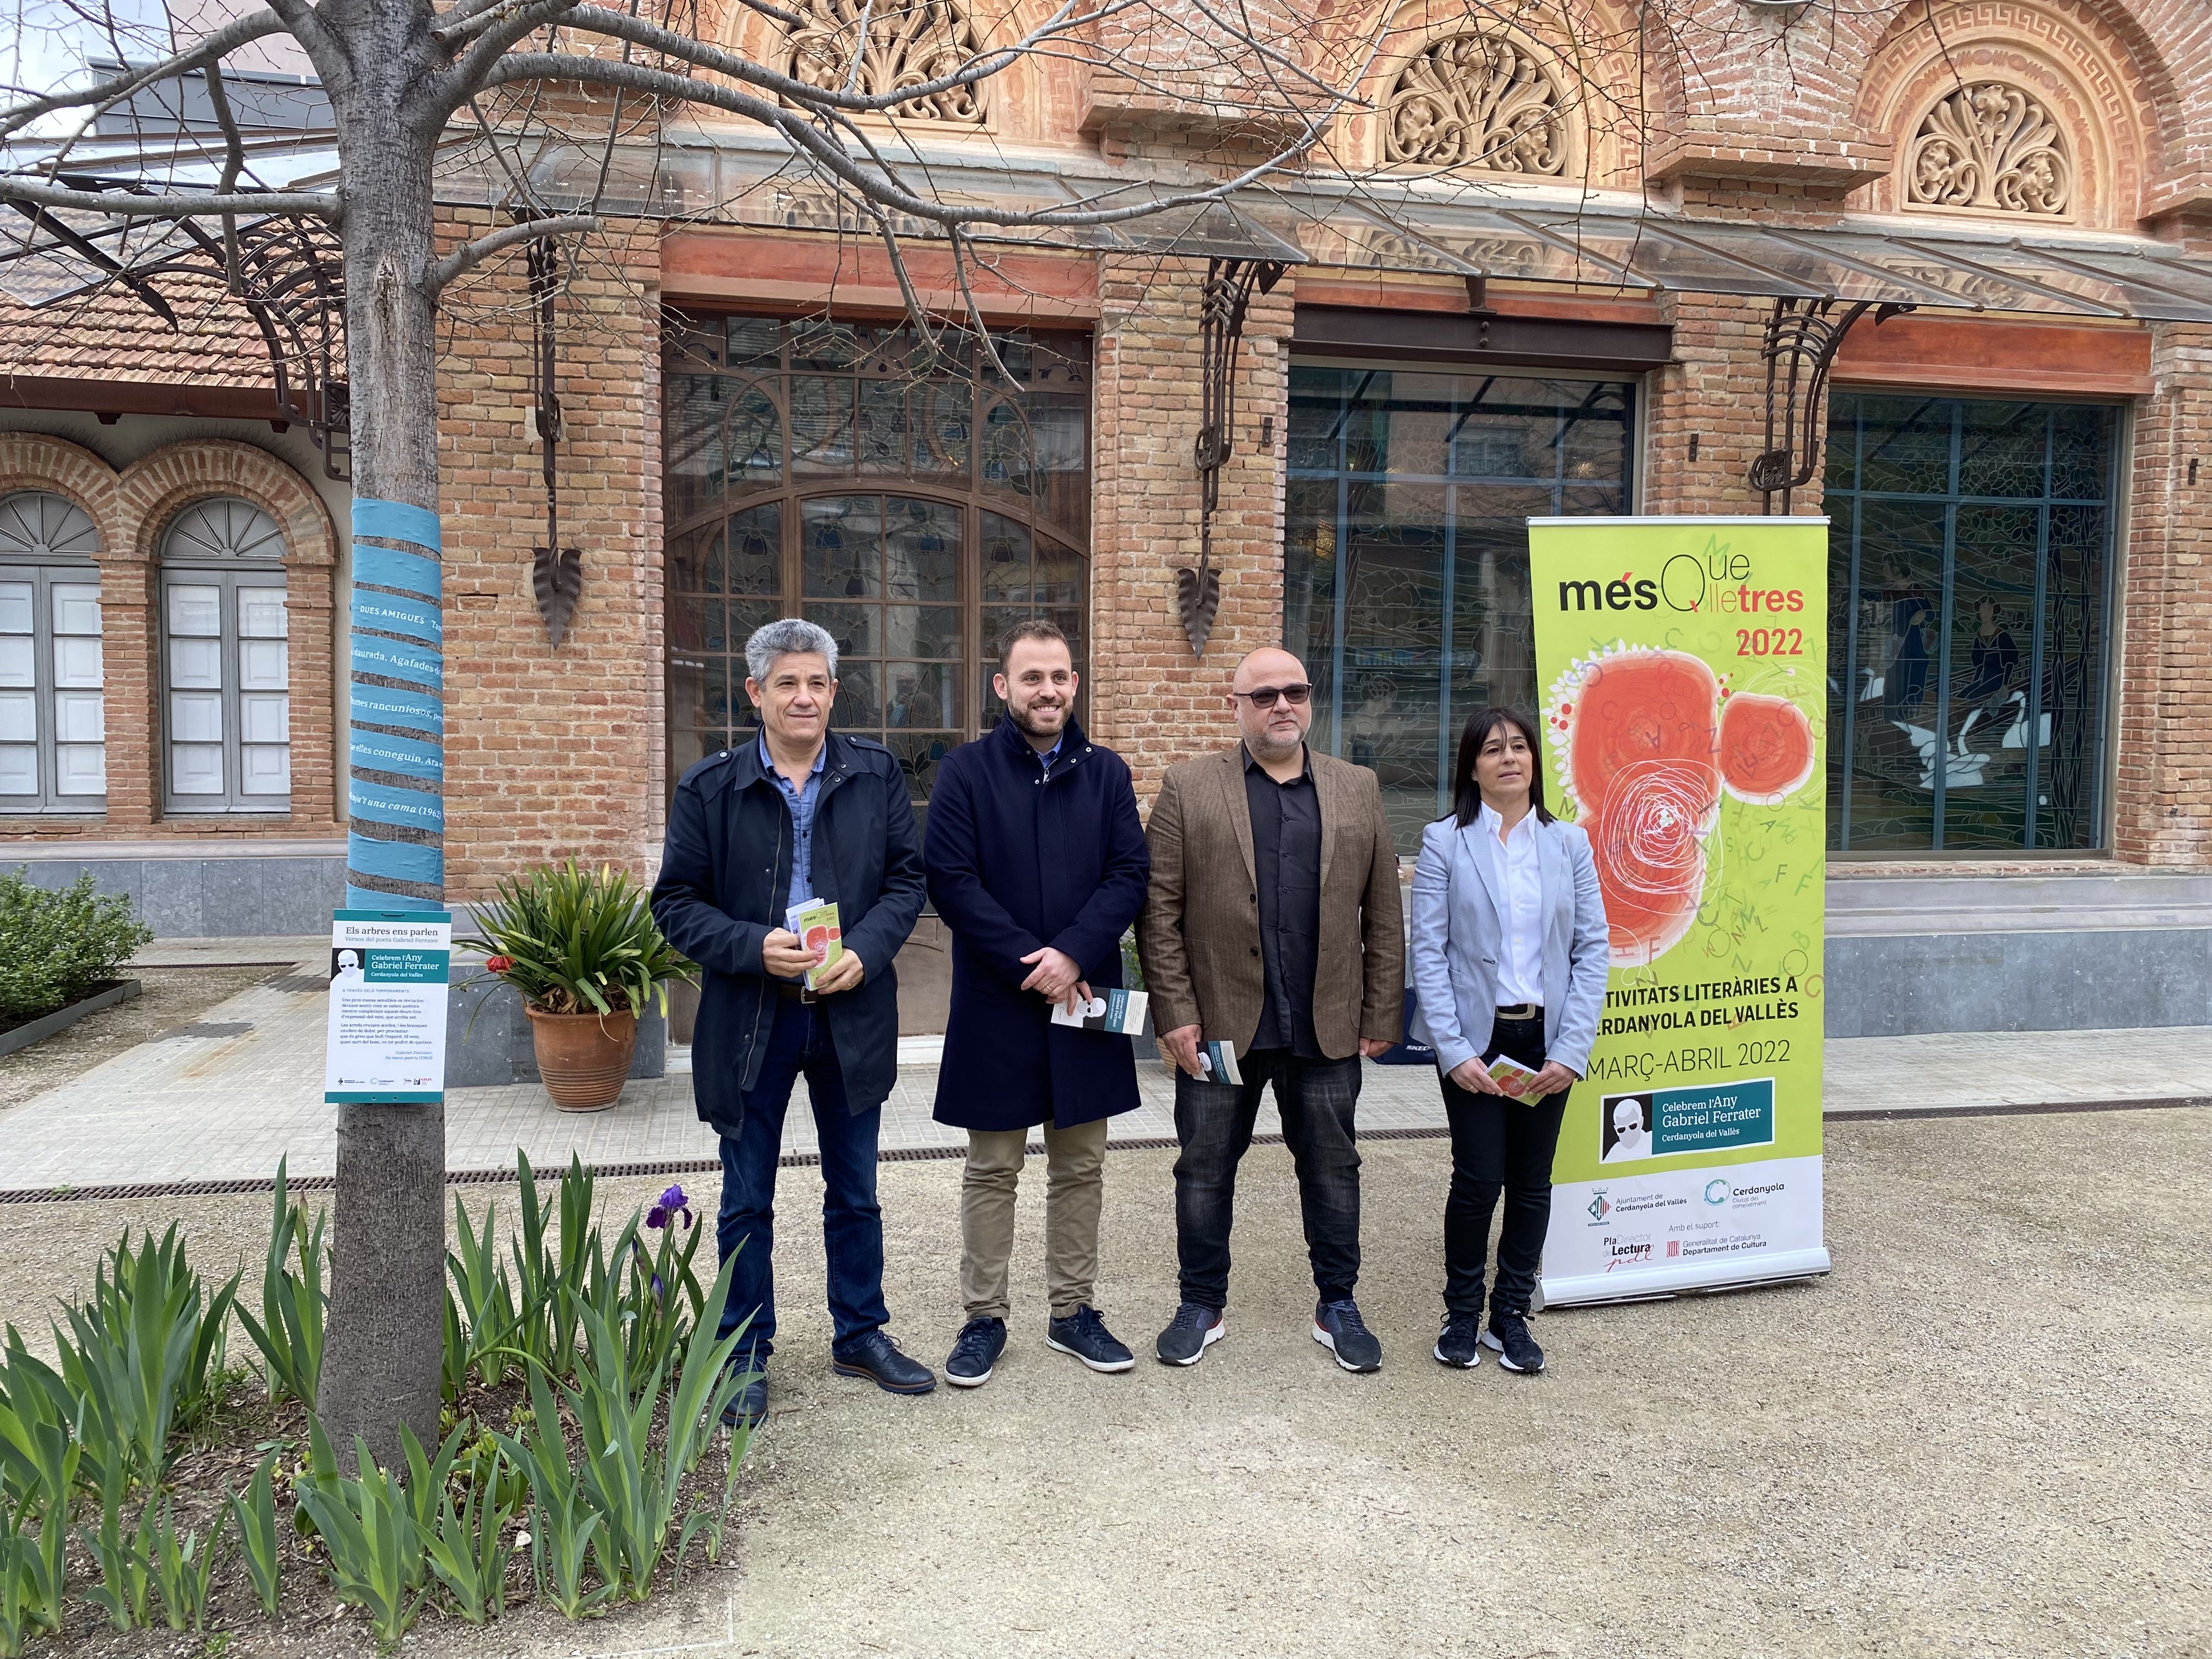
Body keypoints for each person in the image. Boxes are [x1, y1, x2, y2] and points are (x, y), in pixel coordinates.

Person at [651, 617, 932, 1426]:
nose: (803, 697)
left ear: (835, 693)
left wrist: (869, 953)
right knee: (746, 1198)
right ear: (756, 694)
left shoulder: (875, 774)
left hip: (849, 1013)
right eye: (787, 683)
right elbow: (673, 903)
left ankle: (860, 1333)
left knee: (857, 1192)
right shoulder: (711, 787)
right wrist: (749, 945)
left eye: (816, 684)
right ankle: (743, 1352)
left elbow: (907, 884)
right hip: (752, 1018)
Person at [1137, 646, 1404, 1373]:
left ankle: (1338, 1304)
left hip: (1326, 1026)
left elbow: (1383, 911)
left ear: (1310, 700)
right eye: (1263, 695)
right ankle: (1200, 1302)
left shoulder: (1358, 788)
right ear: (1236, 705)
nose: (1281, 705)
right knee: (1202, 1170)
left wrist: (1382, 1010)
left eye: (1294, 691)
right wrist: (1175, 1013)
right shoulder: (1190, 788)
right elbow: (1159, 912)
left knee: (1332, 1169)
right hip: (1221, 1026)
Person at [923, 620, 1151, 1386]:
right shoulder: (965, 774)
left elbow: (1129, 875)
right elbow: (951, 881)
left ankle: (1072, 1313)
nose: (1047, 690)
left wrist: (1075, 955)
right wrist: (1037, 961)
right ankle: (983, 1317)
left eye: (1059, 676)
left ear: (1075, 684)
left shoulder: (1109, 774)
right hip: (1000, 1001)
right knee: (992, 1167)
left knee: (1080, 1166)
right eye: (1031, 678)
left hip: (1082, 998)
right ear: (1003, 687)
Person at [1409, 707, 1609, 1376]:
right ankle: (1462, 1312)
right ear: (1473, 766)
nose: (1509, 759)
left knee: (1531, 1183)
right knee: (1477, 1180)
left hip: (1545, 1038)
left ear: (1533, 761)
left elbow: (1592, 949)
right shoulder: (1445, 842)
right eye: (1493, 750)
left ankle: (1511, 1317)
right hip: (1476, 1037)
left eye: (1519, 747)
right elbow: (1429, 953)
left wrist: (1570, 1050)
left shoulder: (1570, 844)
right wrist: (1454, 1050)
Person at [1602, 1097, 1650, 1163]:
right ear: (1616, 1130)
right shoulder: (1616, 1152)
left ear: (1641, 1122)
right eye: (1622, 1129)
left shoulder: (1652, 1140)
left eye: (1632, 1126)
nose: (1628, 1133)